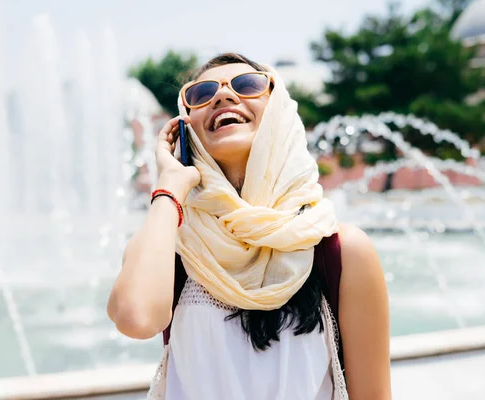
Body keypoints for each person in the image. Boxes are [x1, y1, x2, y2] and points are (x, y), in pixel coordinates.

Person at [107, 53, 391, 400]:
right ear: (186, 127)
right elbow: (135, 319)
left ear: (279, 115)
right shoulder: (172, 243)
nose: (224, 96)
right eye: (202, 94)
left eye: (247, 86)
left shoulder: (339, 251)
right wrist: (170, 187)